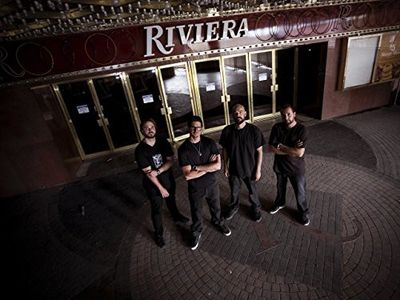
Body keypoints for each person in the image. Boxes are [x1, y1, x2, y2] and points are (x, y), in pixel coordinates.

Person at [178, 116, 231, 250]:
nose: (196, 130)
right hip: (195, 188)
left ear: (202, 128)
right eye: (193, 127)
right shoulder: (183, 149)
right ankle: (196, 231)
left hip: (212, 184)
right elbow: (188, 175)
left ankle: (218, 222)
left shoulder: (210, 143)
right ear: (188, 128)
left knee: (216, 207)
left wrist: (197, 167)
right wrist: (209, 166)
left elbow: (218, 166)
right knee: (196, 211)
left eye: (198, 127)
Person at [135, 118, 189, 248]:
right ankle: (158, 234)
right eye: (147, 128)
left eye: (152, 127)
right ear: (142, 130)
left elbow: (171, 160)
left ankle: (176, 216)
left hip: (167, 179)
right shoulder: (140, 150)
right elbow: (149, 174)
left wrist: (158, 171)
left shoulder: (162, 141)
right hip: (152, 185)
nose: (150, 129)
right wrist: (161, 188)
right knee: (157, 209)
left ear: (155, 128)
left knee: (171, 200)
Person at [219, 104, 265, 222]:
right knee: (234, 191)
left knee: (252, 191)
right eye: (235, 112)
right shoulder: (227, 131)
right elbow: (225, 150)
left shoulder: (254, 131)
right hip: (234, 169)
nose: (238, 114)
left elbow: (260, 151)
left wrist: (258, 169)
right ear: (232, 115)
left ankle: (255, 208)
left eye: (240, 111)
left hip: (250, 169)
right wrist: (226, 167)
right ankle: (234, 206)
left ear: (245, 113)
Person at [268, 104, 310, 226]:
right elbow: (271, 148)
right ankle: (280, 203)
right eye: (283, 115)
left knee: (300, 192)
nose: (286, 117)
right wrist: (290, 149)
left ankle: (303, 212)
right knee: (280, 188)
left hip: (296, 169)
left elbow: (299, 153)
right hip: (280, 167)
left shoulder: (302, 130)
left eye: (288, 114)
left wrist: (281, 146)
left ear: (294, 114)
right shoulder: (277, 127)